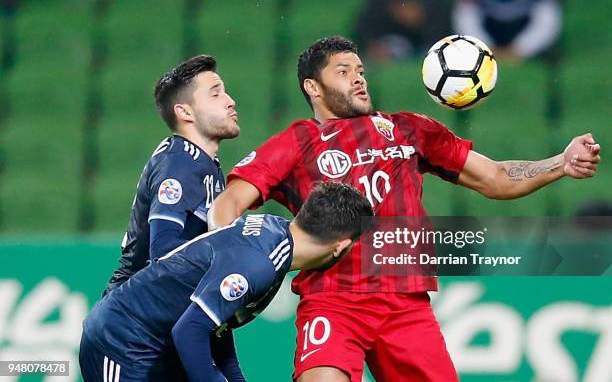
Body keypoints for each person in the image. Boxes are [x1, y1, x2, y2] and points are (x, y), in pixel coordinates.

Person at [209, 36, 601, 381]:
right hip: (334, 299)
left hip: (406, 304)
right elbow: (229, 204)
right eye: (343, 71)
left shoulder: (409, 129)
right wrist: (232, 268)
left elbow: (496, 177)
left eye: (360, 70)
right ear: (312, 87)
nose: (359, 78)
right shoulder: (297, 142)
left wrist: (560, 163)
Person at [79, 182, 374, 382]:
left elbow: (216, 327)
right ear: (341, 246)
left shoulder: (274, 233)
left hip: (154, 342)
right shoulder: (259, 264)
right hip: (122, 341)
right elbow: (190, 330)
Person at [102, 54, 239, 296]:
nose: (230, 101)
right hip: (137, 312)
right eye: (216, 94)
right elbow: (164, 253)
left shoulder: (203, 162)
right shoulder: (180, 163)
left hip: (156, 306)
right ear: (185, 112)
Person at [453, 0, 562, 62]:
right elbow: (465, 13)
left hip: (525, 29)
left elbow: (548, 16)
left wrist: (523, 48)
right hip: (487, 28)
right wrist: (483, 48)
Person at [354, 0, 451, 62]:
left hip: (420, 48)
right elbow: (365, 24)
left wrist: (419, 20)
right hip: (384, 44)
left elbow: (441, 33)